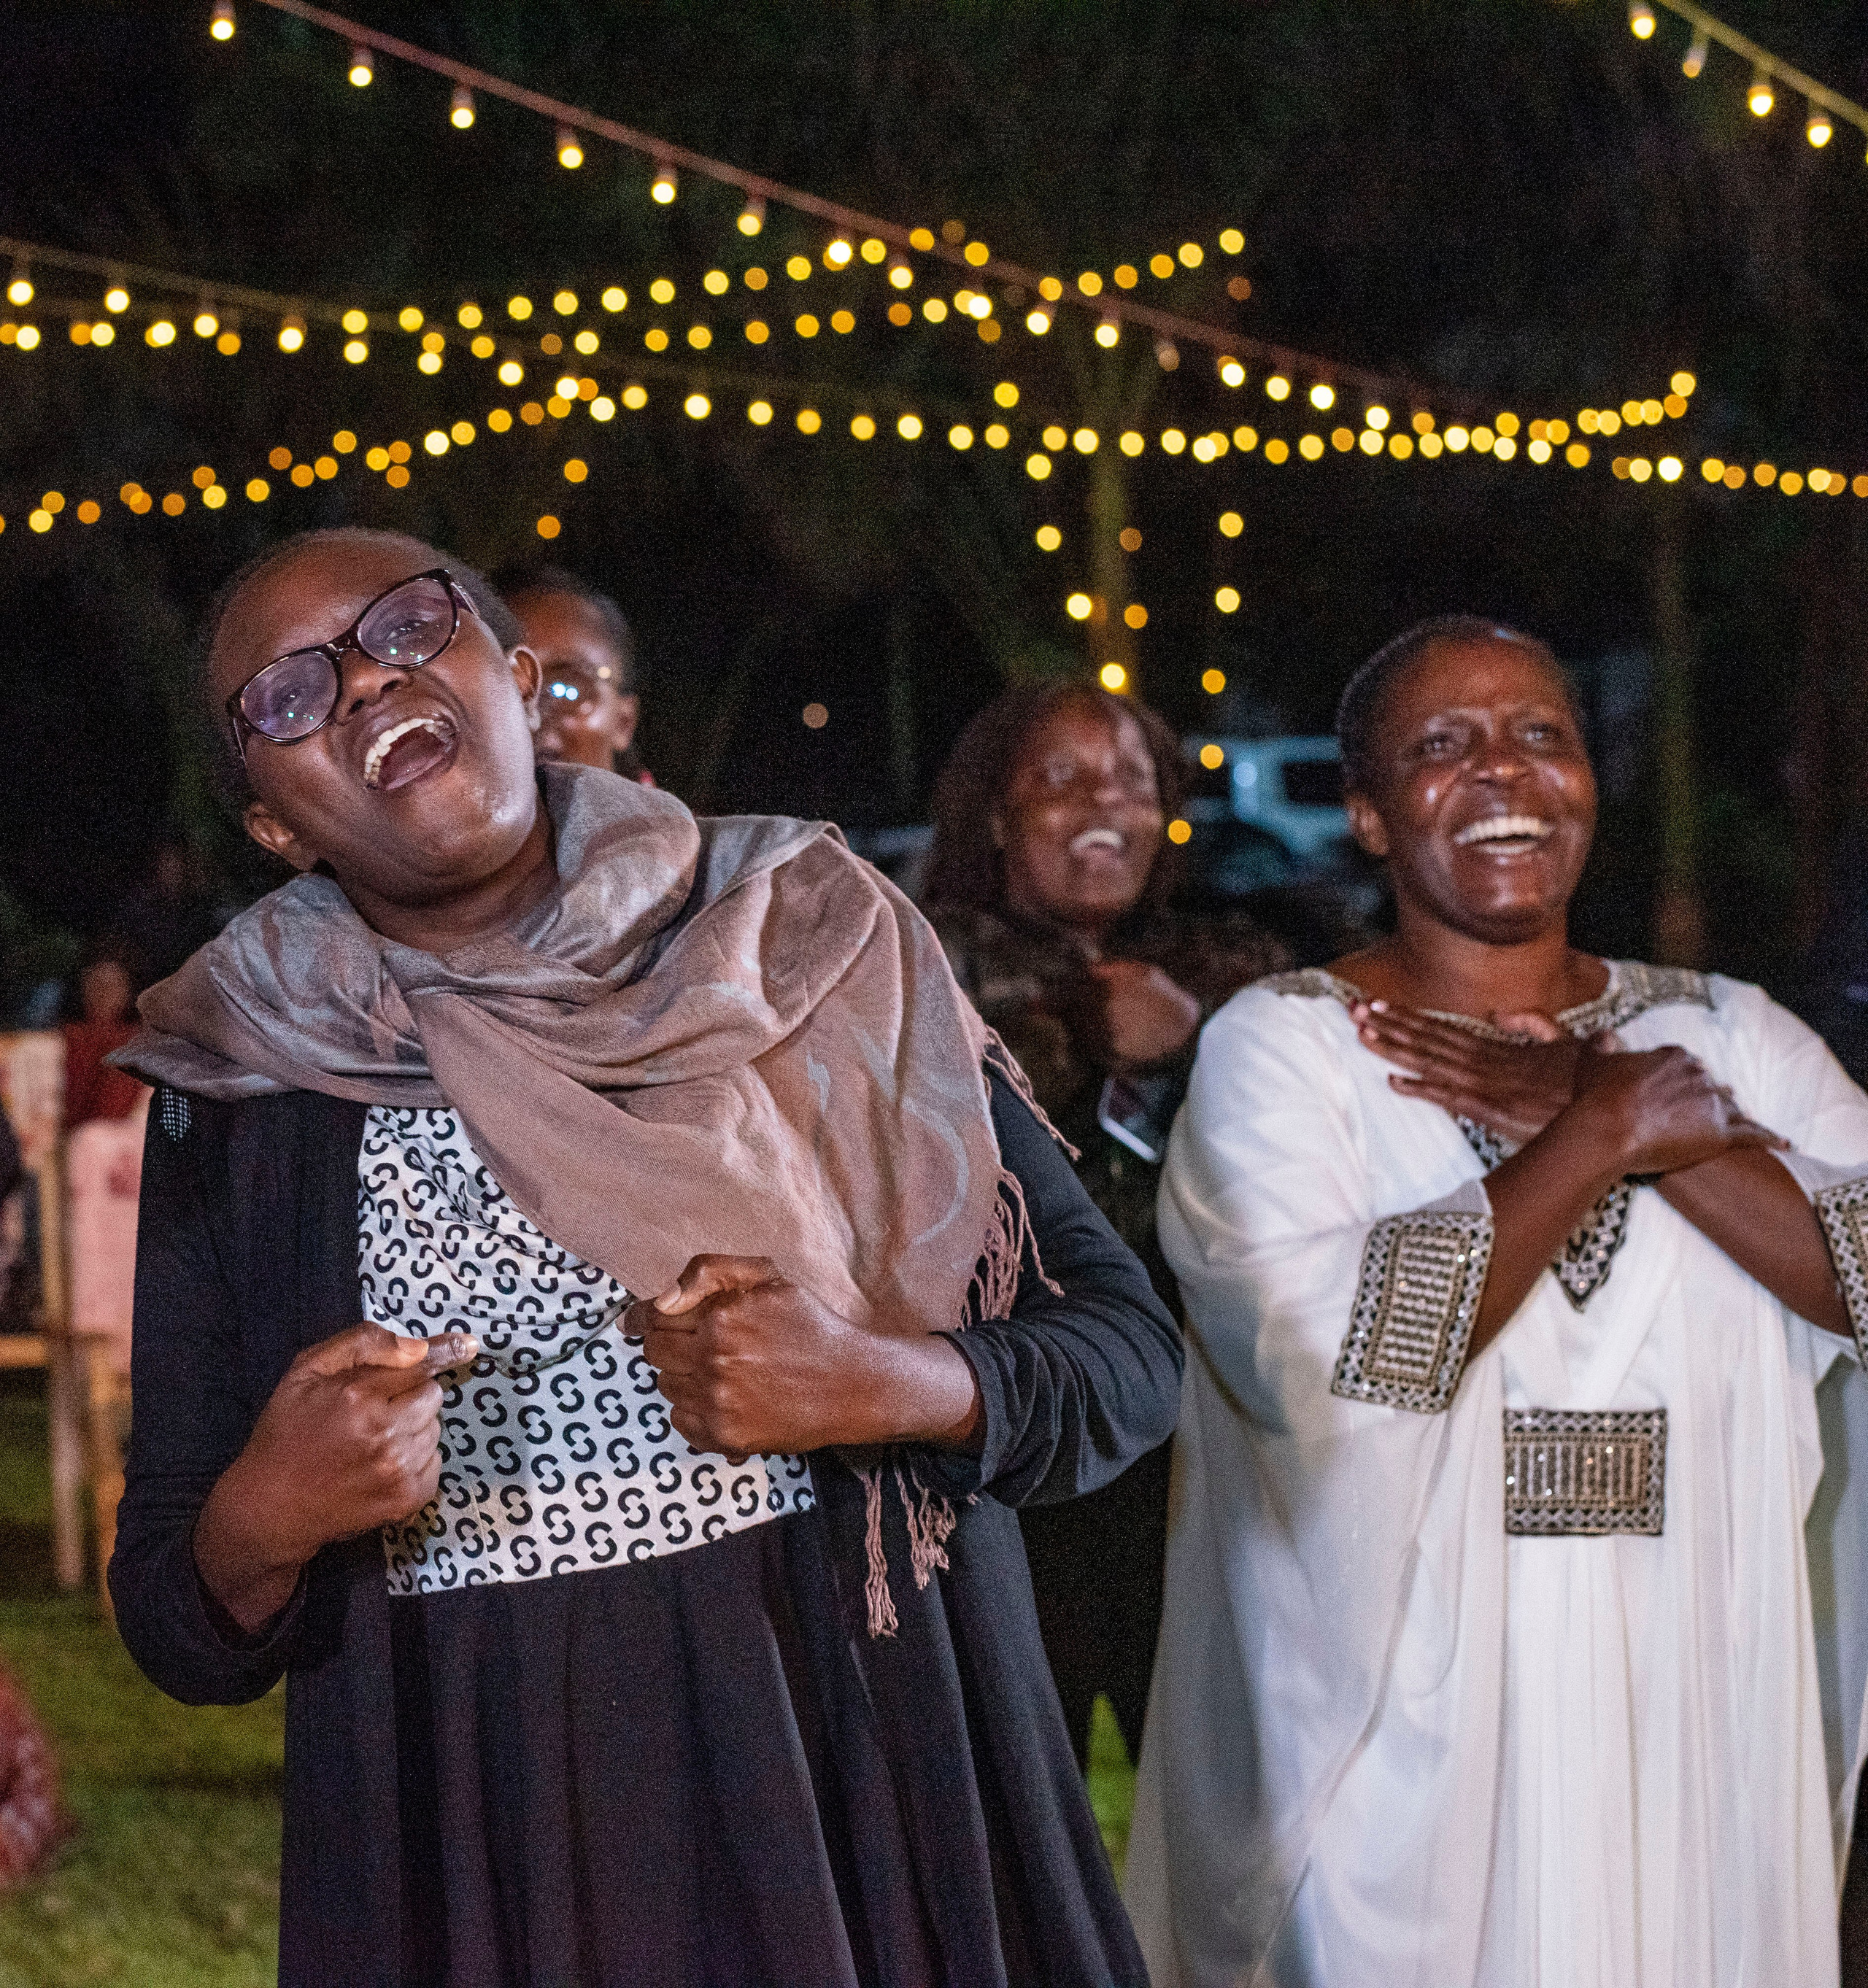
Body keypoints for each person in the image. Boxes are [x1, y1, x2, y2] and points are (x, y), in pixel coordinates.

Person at [109, 528, 1179, 1988]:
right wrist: (264, 1511)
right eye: (290, 696)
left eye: (409, 628)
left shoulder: (805, 941)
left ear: (519, 676)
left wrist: (883, 1381)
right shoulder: (238, 1093)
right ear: (276, 829)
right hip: (486, 1837)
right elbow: (175, 1609)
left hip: (853, 1767)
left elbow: (1121, 1358)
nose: (364, 681)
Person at [1126, 614, 1868, 1988]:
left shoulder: (1735, 1035)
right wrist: (1594, 1136)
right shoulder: (1286, 1053)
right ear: (1364, 811)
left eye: (1543, 737)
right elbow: (1331, 1352)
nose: (1506, 774)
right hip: (1407, 1725)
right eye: (1443, 746)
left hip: (1700, 1687)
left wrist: (1666, 1127)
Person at [924, 681, 1282, 1773]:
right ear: (996, 814)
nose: (1103, 804)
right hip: (999, 1430)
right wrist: (1074, 1033)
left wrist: (1194, 1039)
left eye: (1131, 779)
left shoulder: (1232, 961)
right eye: (1061, 779)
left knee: (1210, 1774)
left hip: (1191, 1441)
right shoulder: (923, 959)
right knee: (1013, 1778)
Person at [490, 561, 652, 781]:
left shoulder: (674, 817)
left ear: (624, 722)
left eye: (567, 688)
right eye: (509, 681)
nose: (531, 715)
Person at [62, 951, 146, 1128]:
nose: (104, 994)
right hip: (76, 1130)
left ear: (125, 994)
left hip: (116, 1133)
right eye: (98, 986)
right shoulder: (71, 1037)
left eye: (112, 987)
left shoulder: (133, 1040)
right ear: (86, 991)